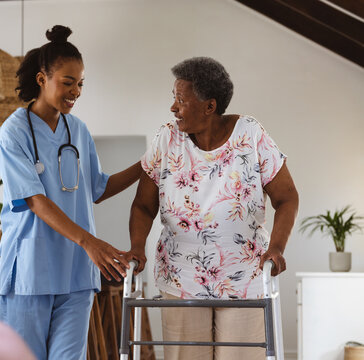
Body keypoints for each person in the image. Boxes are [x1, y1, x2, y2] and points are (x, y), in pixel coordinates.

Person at [124, 57, 299, 360]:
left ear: (209, 106)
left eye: (181, 100)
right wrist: (137, 247)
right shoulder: (167, 138)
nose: (173, 107)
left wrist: (278, 248)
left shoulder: (250, 134)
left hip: (244, 276)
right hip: (181, 277)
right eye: (173, 98)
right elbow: (142, 205)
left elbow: (286, 198)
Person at [0, 25, 142, 360]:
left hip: (76, 270)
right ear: (41, 79)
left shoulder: (77, 129)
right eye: (67, 82)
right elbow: (35, 200)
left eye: (80, 83)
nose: (75, 91)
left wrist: (145, 166)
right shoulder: (13, 132)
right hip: (31, 267)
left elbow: (98, 188)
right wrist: (91, 242)